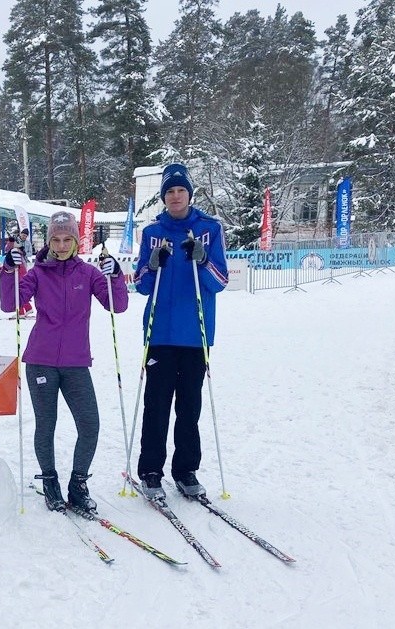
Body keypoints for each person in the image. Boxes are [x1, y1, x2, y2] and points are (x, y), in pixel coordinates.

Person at [0, 210, 128, 514]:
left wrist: (115, 275)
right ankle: (50, 480)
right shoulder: (38, 273)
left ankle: (78, 483)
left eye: (66, 239)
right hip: (41, 361)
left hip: (75, 363)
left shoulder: (88, 274)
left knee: (90, 423)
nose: (60, 245)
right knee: (46, 424)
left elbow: (117, 305)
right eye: (55, 239)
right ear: (49, 240)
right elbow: (10, 304)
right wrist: (7, 271)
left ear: (75, 240)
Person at [134, 163, 228, 500]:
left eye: (180, 191)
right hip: (159, 334)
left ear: (189, 194)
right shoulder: (151, 233)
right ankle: (150, 471)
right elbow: (141, 284)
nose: (175, 197)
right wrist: (151, 264)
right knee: (156, 405)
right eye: (169, 192)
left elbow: (220, 281)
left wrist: (202, 259)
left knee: (189, 407)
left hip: (195, 335)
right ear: (163, 197)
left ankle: (186, 470)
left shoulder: (209, 229)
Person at [4, 236, 33, 318]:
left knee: (17, 291)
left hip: (18, 271)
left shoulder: (15, 251)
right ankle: (28, 308)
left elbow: (8, 249)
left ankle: (20, 312)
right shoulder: (17, 250)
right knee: (20, 291)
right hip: (20, 270)